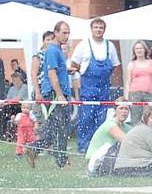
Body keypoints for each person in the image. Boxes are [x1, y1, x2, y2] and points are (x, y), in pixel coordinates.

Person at [68, 17, 121, 153]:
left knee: (101, 119)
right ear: (91, 29)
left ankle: (98, 147)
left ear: (104, 30)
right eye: (96, 27)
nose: (98, 30)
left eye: (101, 27)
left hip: (104, 88)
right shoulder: (83, 45)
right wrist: (82, 71)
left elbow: (115, 65)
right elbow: (74, 64)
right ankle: (84, 147)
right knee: (86, 117)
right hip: (88, 88)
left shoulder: (110, 46)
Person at [37, 21, 72, 168]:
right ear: (55, 33)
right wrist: (59, 95)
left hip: (60, 92)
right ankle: (61, 161)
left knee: (56, 127)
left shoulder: (59, 50)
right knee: (60, 128)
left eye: (68, 33)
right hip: (53, 94)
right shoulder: (52, 50)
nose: (66, 36)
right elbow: (51, 74)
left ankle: (35, 148)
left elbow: (58, 72)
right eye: (64, 32)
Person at [86, 101, 132, 174]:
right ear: (115, 110)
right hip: (94, 161)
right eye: (121, 108)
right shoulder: (110, 124)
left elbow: (136, 140)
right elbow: (126, 141)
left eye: (126, 109)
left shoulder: (127, 127)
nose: (124, 111)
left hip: (108, 159)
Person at [124, 40, 152, 124]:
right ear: (134, 51)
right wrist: (126, 98)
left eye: (141, 48)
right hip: (134, 94)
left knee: (149, 118)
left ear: (145, 50)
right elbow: (128, 82)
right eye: (137, 49)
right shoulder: (131, 64)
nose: (139, 50)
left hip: (149, 94)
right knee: (135, 119)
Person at [14, 103, 36, 167]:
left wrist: (35, 126)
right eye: (24, 108)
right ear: (21, 108)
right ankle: (19, 154)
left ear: (30, 109)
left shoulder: (31, 115)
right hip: (21, 132)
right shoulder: (19, 115)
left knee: (32, 141)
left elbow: (35, 121)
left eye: (27, 108)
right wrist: (14, 120)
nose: (25, 110)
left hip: (30, 131)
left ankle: (33, 153)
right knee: (20, 142)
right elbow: (16, 122)